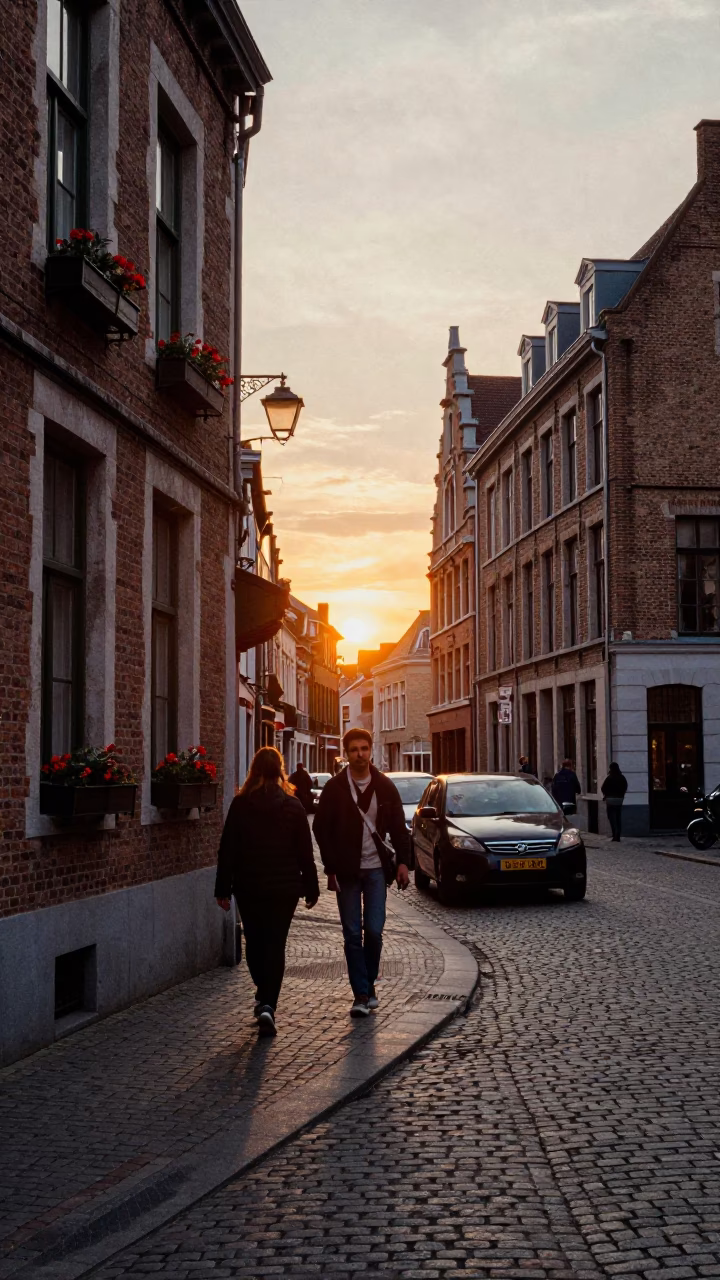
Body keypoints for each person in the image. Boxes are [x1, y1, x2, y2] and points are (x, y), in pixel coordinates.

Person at [215, 747, 319, 1037]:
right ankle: (268, 1004)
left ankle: (263, 993)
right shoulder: (294, 806)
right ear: (281, 771)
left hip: (249, 887)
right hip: (284, 889)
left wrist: (222, 888)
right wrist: (311, 887)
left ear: (254, 770)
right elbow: (305, 853)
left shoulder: (240, 805)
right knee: (276, 944)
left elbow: (228, 850)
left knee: (255, 941)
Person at [313, 727, 410, 1018]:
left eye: (364, 749)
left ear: (370, 751)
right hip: (347, 872)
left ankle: (369, 984)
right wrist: (331, 867)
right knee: (353, 933)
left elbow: (398, 827)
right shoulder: (335, 788)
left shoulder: (384, 786)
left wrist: (404, 862)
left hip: (377, 870)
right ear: (347, 753)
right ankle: (361, 994)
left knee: (375, 931)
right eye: (354, 750)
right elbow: (320, 828)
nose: (359, 755)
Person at [601, 761, 628, 841]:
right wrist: (621, 795)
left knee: (611, 817)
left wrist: (606, 794)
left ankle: (614, 834)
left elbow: (603, 788)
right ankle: (618, 835)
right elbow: (625, 787)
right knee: (618, 817)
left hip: (610, 799)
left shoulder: (609, 778)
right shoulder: (622, 777)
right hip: (619, 799)